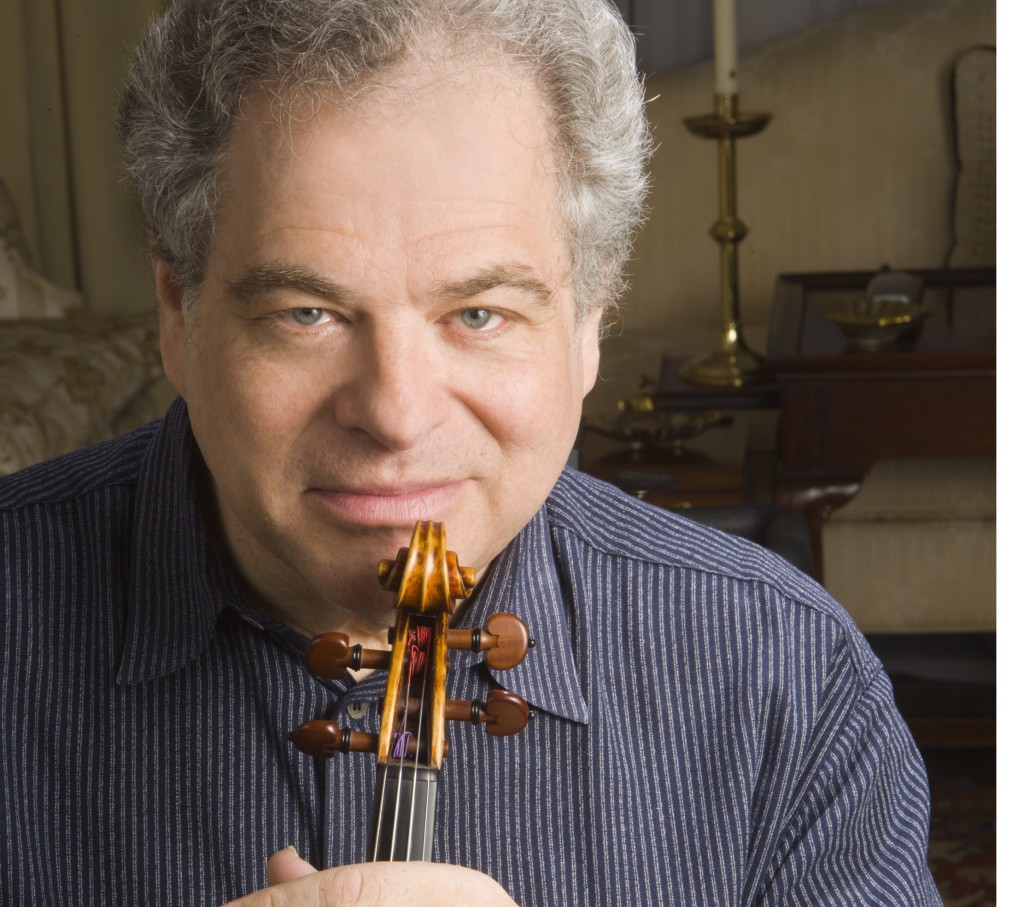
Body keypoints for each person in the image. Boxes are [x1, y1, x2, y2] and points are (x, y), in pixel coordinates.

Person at [0, 0, 941, 904]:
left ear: (588, 322)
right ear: (179, 309)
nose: (397, 415)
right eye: (308, 313)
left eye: (479, 313)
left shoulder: (786, 678)